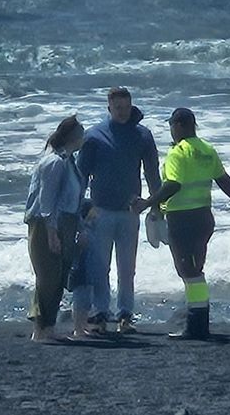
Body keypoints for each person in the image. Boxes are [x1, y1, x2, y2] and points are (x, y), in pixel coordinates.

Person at [133, 107, 230, 340]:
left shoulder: (178, 153)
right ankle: (199, 322)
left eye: (172, 125)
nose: (171, 130)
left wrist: (146, 203)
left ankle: (195, 325)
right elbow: (223, 179)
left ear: (179, 125)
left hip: (182, 219)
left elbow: (173, 184)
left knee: (187, 271)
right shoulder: (207, 149)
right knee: (195, 269)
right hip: (204, 218)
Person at [77, 87, 161, 334]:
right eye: (118, 108)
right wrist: (80, 208)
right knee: (99, 267)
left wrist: (155, 204)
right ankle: (100, 313)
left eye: (126, 107)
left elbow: (152, 173)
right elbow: (81, 176)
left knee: (127, 267)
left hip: (129, 211)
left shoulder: (142, 135)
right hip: (99, 210)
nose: (123, 112)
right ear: (109, 108)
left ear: (131, 105)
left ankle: (125, 314)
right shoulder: (94, 136)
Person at [24, 115, 86, 342]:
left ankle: (47, 327)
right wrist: (51, 232)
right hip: (46, 223)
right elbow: (46, 200)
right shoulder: (54, 162)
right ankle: (41, 329)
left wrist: (80, 227)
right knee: (48, 276)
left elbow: (74, 200)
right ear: (73, 137)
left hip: (65, 222)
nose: (84, 137)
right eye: (81, 133)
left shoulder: (69, 161)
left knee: (59, 276)